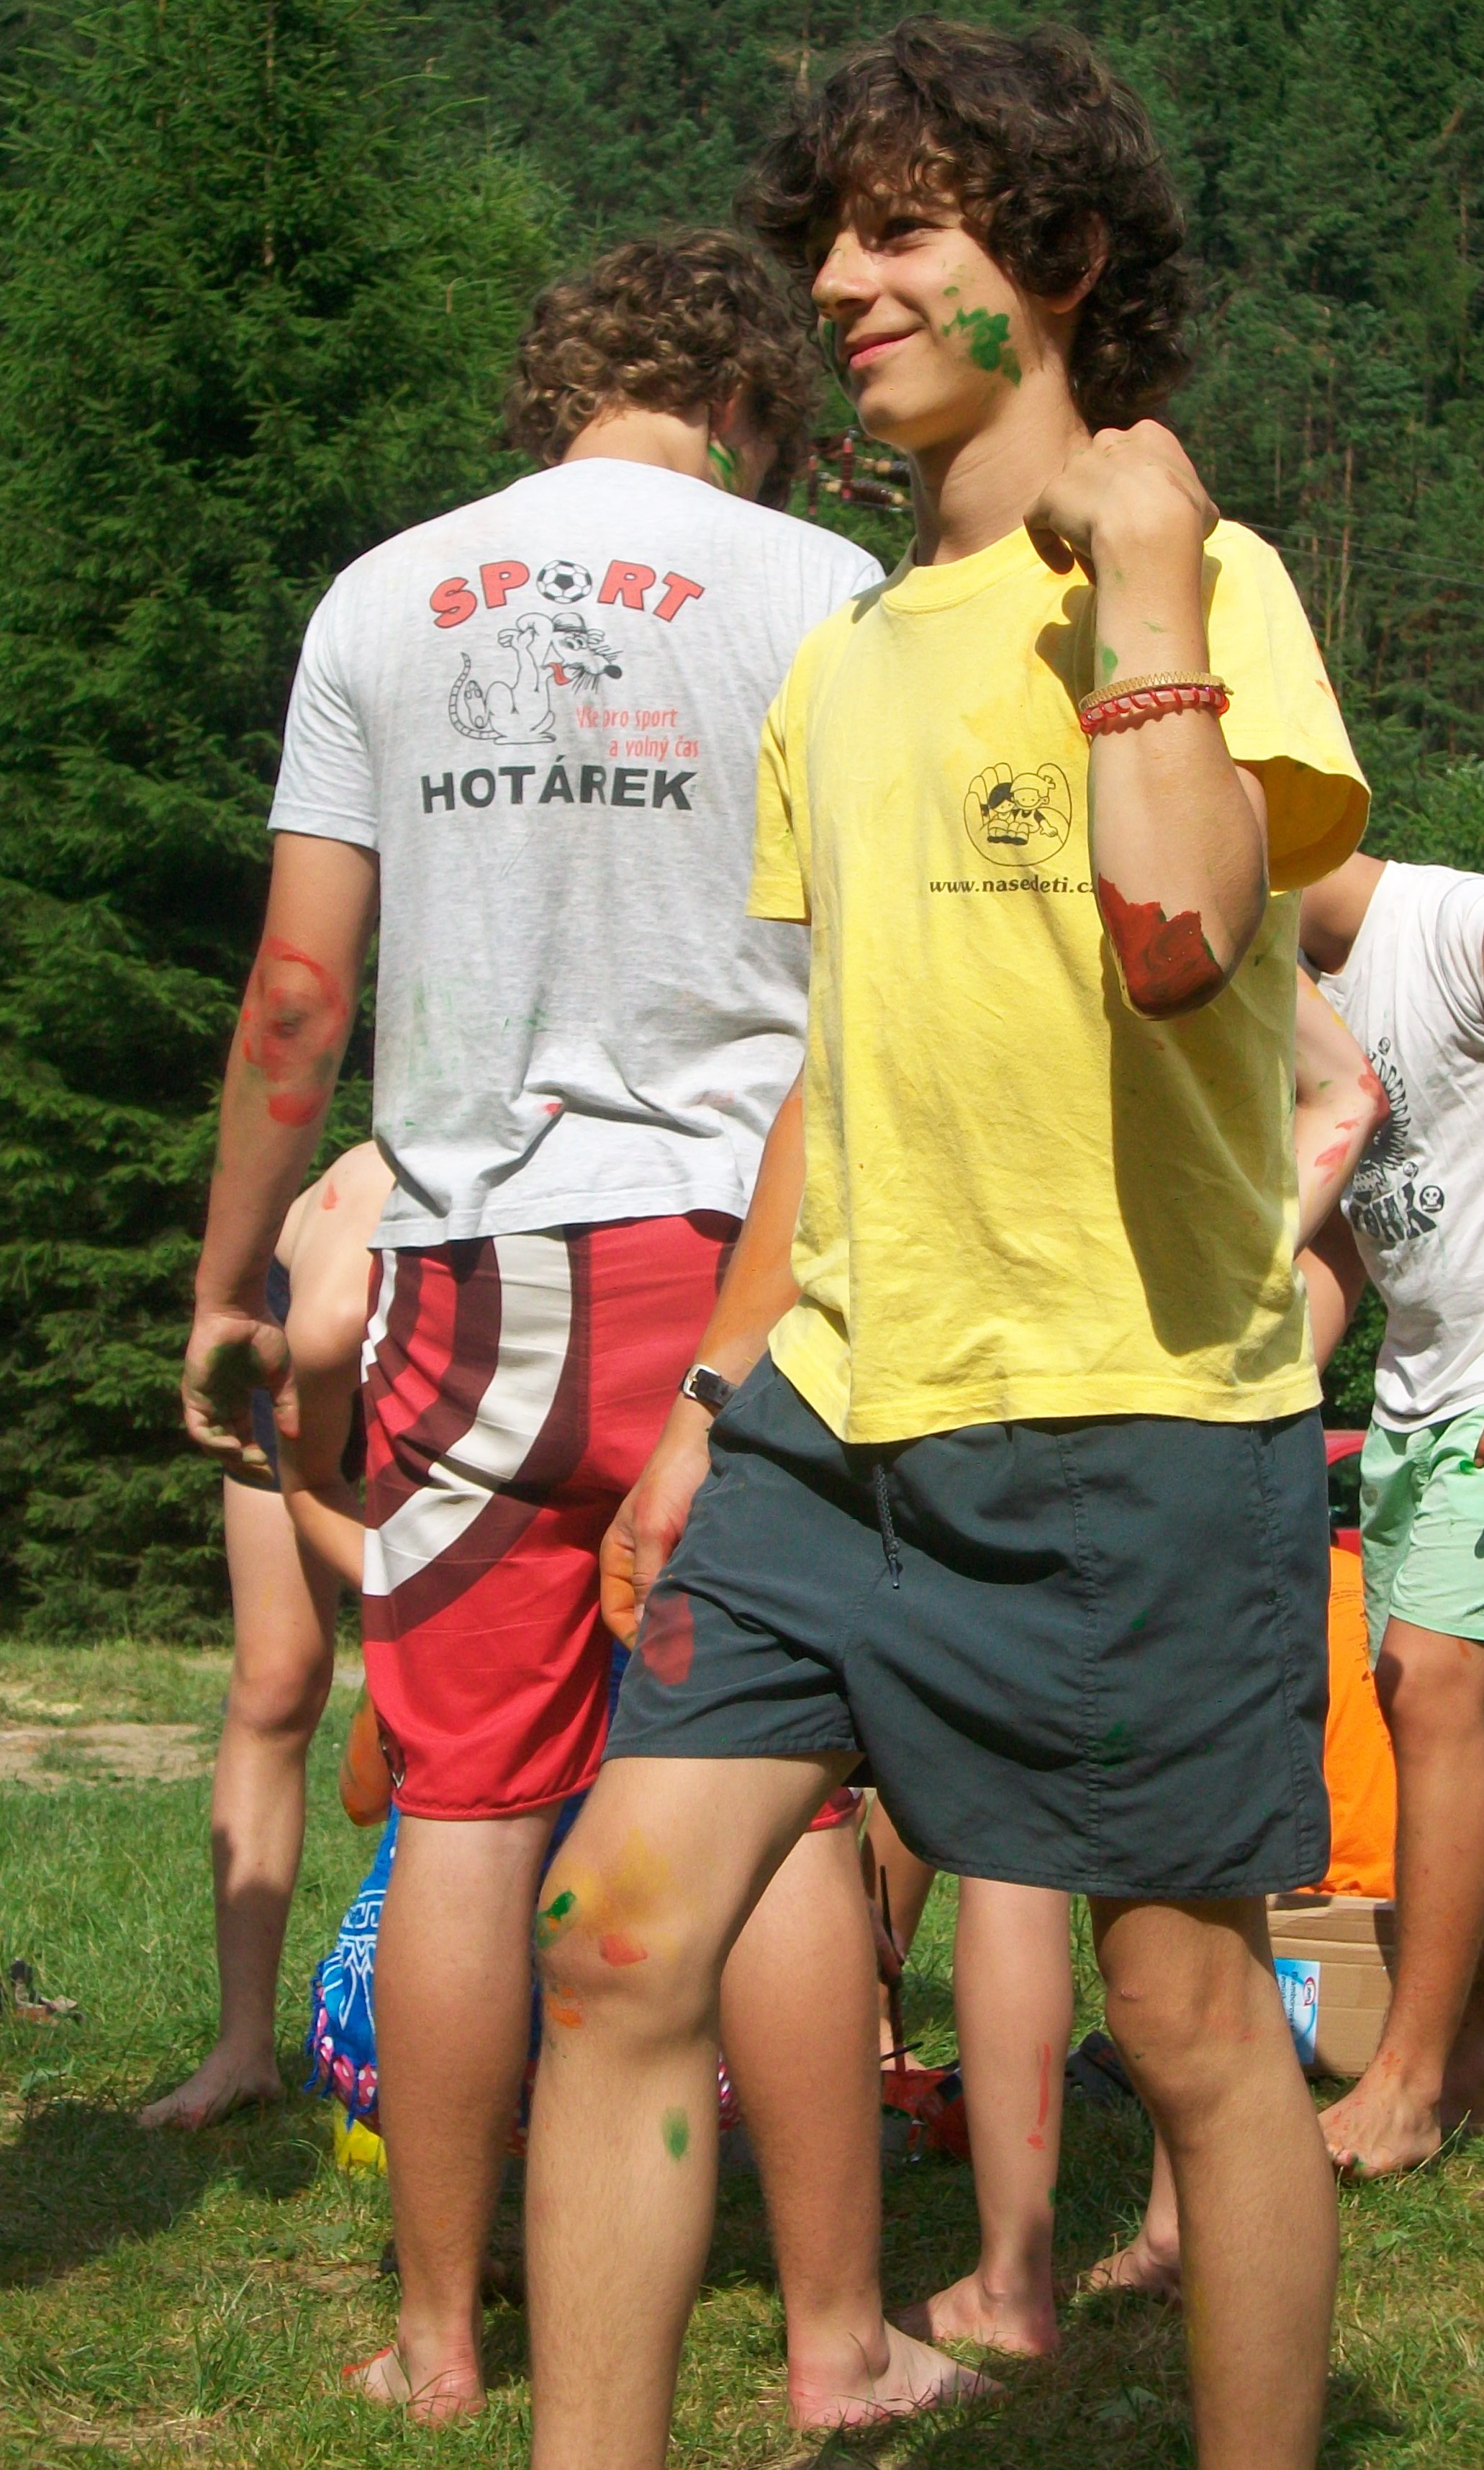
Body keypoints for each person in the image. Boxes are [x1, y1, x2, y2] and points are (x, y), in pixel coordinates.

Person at [525, 24, 1370, 2470]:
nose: (837, 282)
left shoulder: (1215, 581)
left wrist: (1139, 584)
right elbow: (842, 1064)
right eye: (830, 237)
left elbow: (1183, 940)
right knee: (615, 1943)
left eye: (903, 232)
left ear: (1061, 256)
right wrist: (709, 1402)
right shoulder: (841, 660)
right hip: (832, 1423)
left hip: (1132, 1421)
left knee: (1187, 2022)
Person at [180, 228, 975, 2428]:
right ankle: (833, 2335)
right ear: (749, 404)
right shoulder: (822, 591)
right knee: (773, 1799)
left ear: (555, 390)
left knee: (460, 1801)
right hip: (745, 1266)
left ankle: (439, 2340)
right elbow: (891, 984)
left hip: (470, 1271)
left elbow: (300, 994)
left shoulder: (381, 597)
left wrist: (235, 1278)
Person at [857, 975, 1388, 2352]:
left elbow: (1344, 1094)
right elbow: (1345, 1092)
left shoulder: (996, 920)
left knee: (1018, 1850)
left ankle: (1016, 2274)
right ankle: (1153, 2232)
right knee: (1202, 1881)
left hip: (1020, 1372)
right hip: (1193, 1403)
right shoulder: (1203, 919)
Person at [1295, 850, 1484, 2176]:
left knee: (1430, 1690)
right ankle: (1461, 2059)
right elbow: (1344, 1240)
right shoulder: (1284, 987)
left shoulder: (1453, 925)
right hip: (1413, 1400)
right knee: (1420, 1713)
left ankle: (1409, 2082)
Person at [140, 1141, 391, 2129]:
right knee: (278, 1682)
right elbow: (311, 1478)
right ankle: (243, 2046)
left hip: (489, 1347)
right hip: (308, 1336)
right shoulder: (336, 1290)